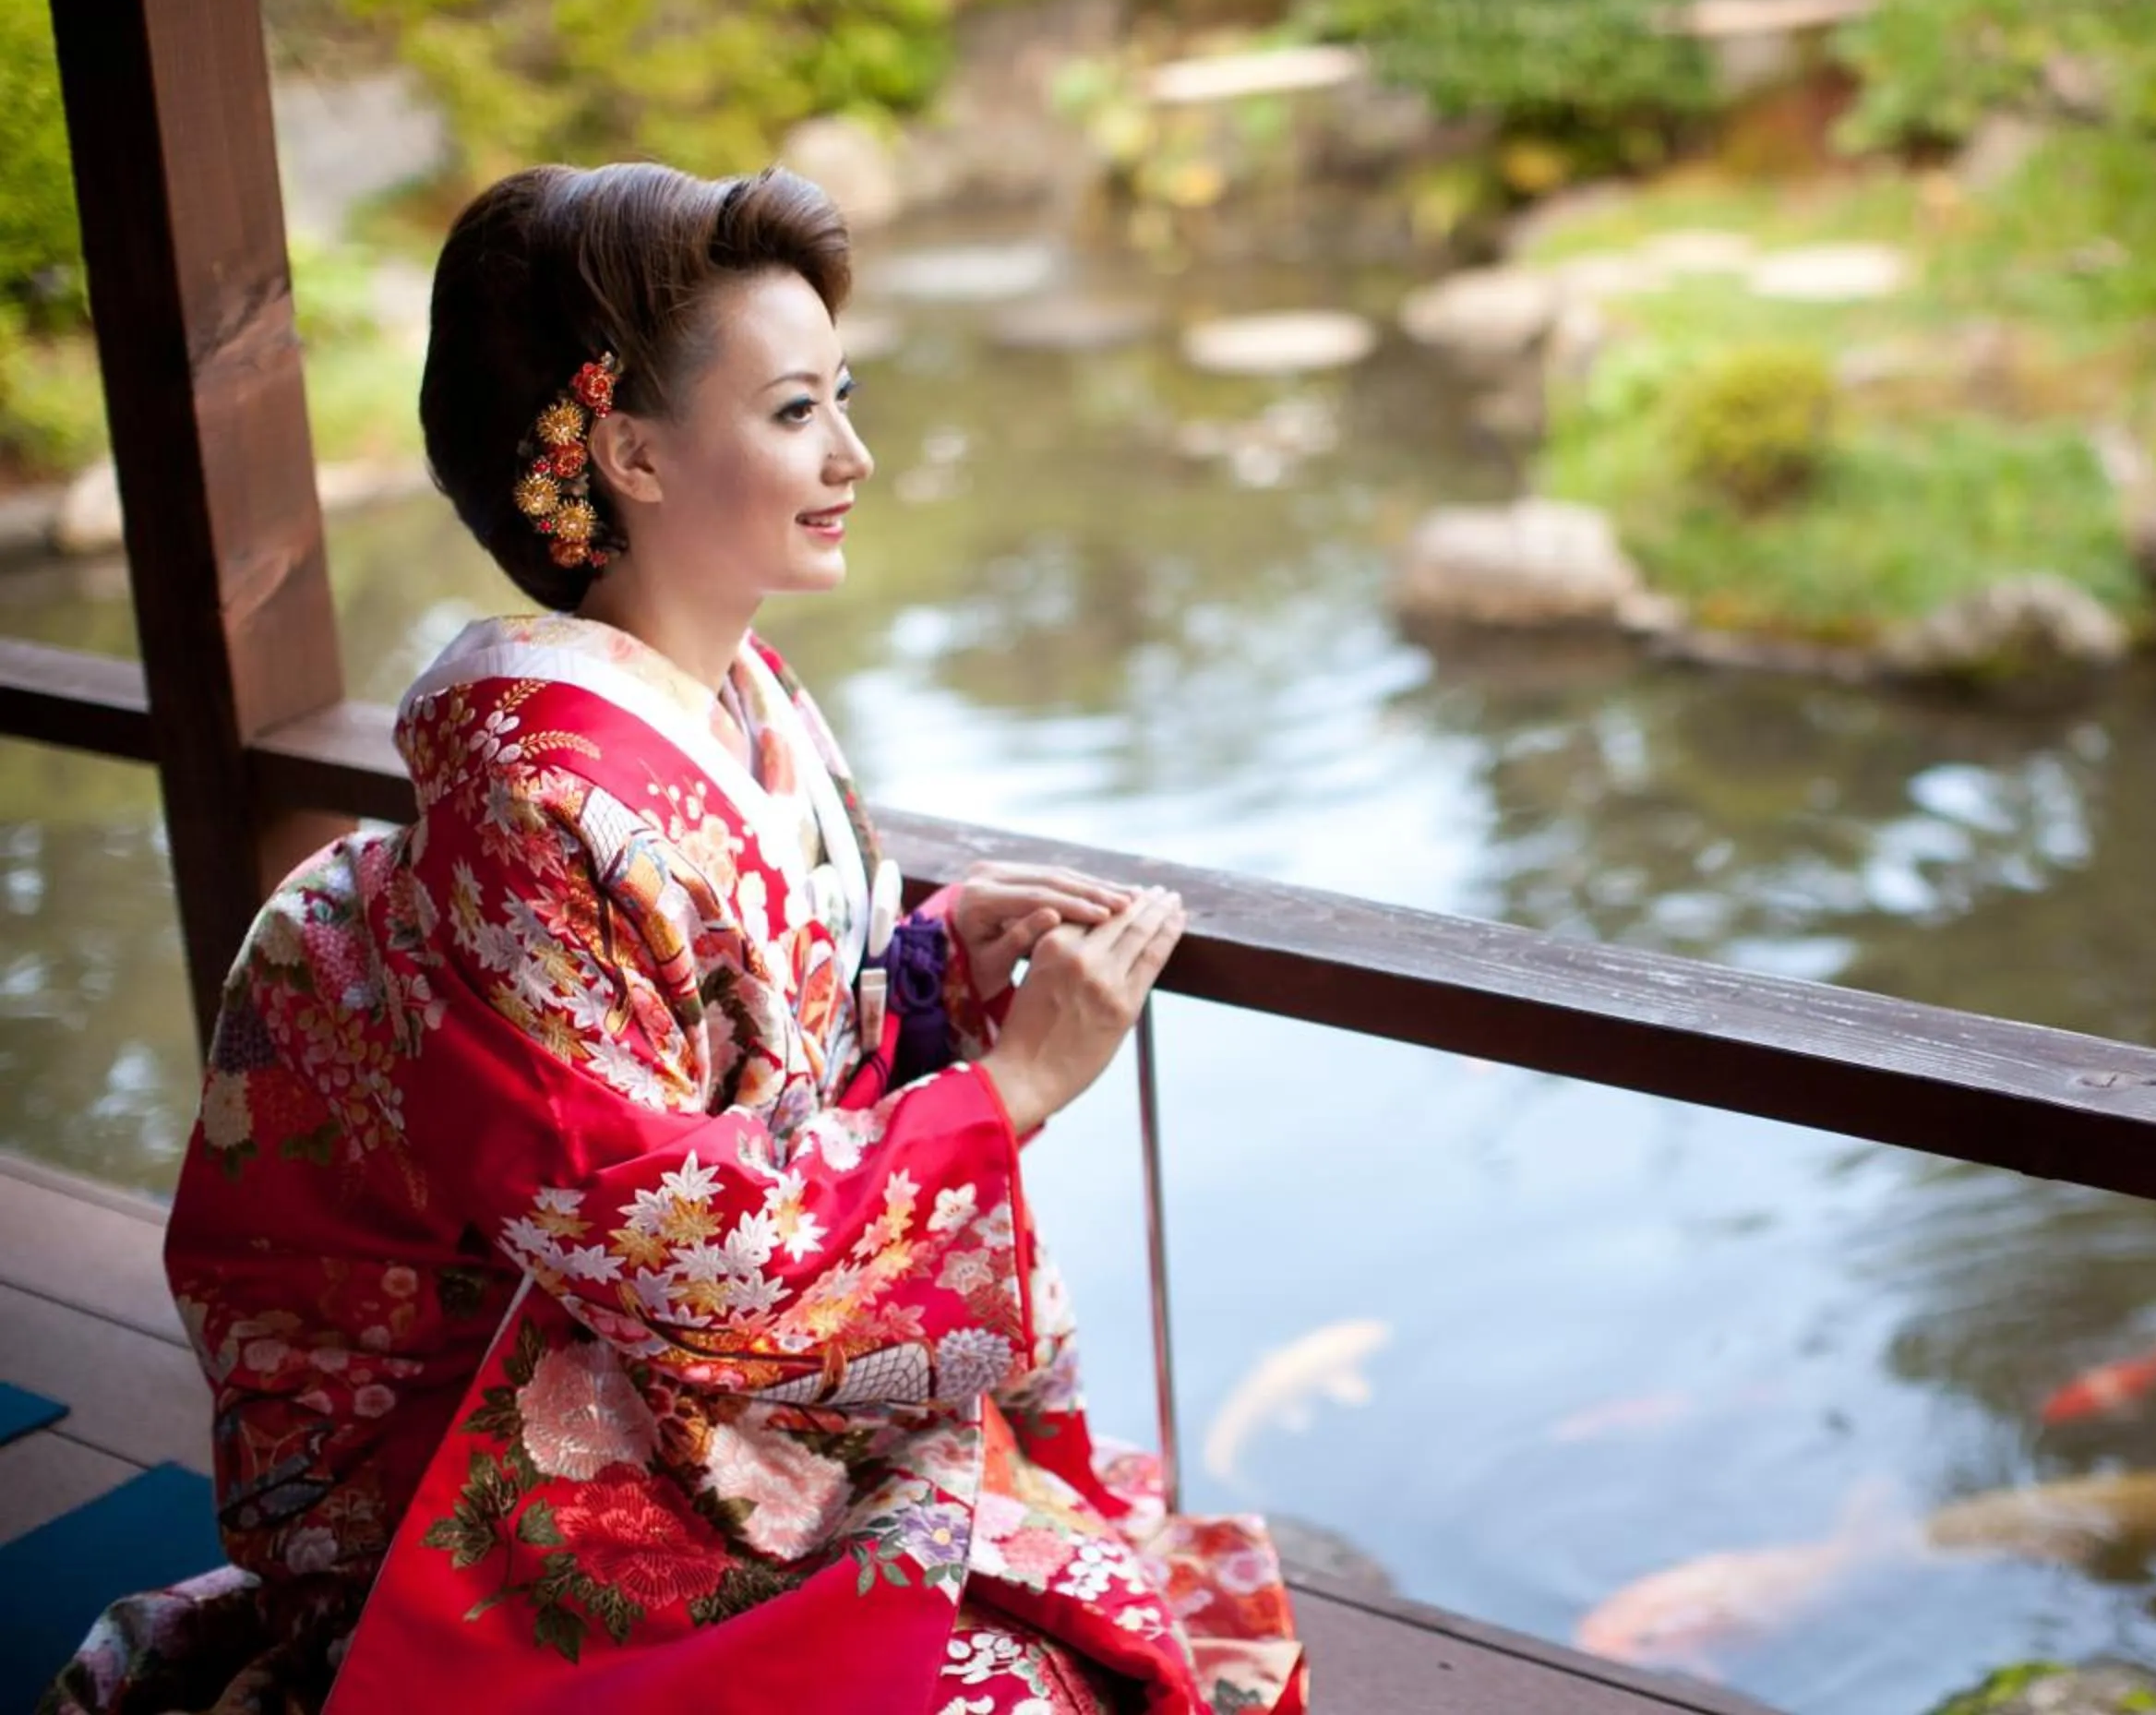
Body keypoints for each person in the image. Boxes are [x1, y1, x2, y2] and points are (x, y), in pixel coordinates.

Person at [48, 163, 1308, 1715]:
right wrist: (1013, 1092)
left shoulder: (745, 694)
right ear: (632, 451)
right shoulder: (531, 793)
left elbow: (764, 1028)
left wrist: (921, 961)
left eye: (841, 395)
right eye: (794, 414)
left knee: (1080, 1622)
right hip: (517, 1424)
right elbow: (649, 1223)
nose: (854, 453)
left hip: (682, 1365)